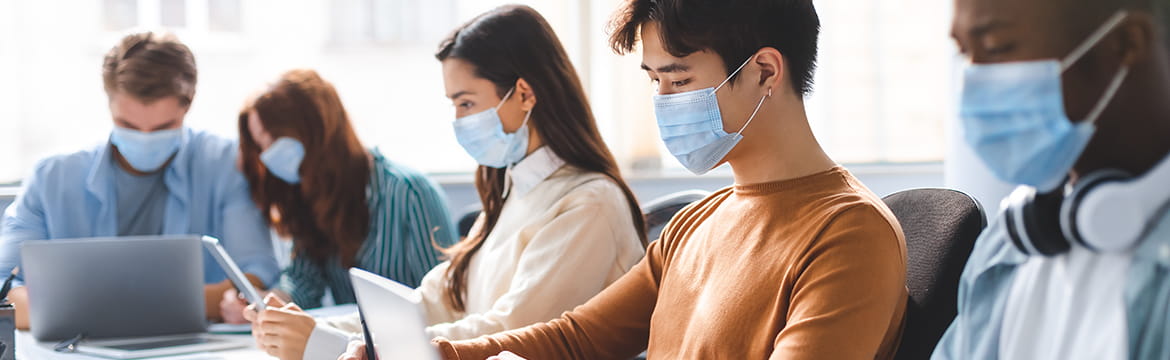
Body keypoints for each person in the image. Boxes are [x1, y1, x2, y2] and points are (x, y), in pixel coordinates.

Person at [340, 0, 909, 359]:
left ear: (763, 71)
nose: (663, 102)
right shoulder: (697, 222)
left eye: (678, 79)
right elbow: (576, 338)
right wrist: (435, 355)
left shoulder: (849, 233)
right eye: (653, 80)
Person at [256, 6, 648, 360]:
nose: (460, 120)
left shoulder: (590, 204)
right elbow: (433, 302)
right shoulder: (513, 189)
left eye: (466, 103)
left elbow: (512, 331)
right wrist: (317, 331)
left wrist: (330, 345)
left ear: (524, 94)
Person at [934, 0, 1170, 359]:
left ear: (1125, 43)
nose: (974, 81)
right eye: (965, 53)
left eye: (997, 47)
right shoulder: (1007, 247)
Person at [0, 31, 280, 327]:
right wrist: (168, 305)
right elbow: (4, 286)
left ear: (188, 104)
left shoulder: (227, 164)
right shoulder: (51, 178)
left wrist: (86, 308)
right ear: (109, 104)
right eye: (128, 125)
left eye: (163, 126)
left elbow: (254, 275)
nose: (145, 138)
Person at [218, 69, 458, 359]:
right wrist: (274, 303)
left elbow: (443, 307)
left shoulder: (410, 192)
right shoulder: (309, 197)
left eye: (273, 141)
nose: (267, 156)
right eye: (260, 146)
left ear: (316, 130)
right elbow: (304, 282)